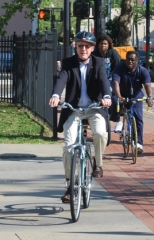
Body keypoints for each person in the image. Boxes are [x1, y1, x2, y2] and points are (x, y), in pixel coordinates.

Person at [49, 31, 112, 203]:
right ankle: (70, 185)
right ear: (75, 47)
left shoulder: (98, 63)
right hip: (74, 109)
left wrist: (106, 97)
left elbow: (104, 81)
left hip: (94, 108)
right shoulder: (68, 63)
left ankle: (98, 164)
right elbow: (61, 79)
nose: (83, 49)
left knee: (99, 133)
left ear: (92, 48)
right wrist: (55, 95)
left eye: (87, 46)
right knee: (68, 148)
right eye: (80, 46)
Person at [112, 50, 153, 154]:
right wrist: (120, 97)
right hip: (123, 96)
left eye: (132, 60)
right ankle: (119, 122)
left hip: (136, 97)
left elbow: (147, 85)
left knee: (139, 119)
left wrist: (150, 97)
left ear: (137, 61)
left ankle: (139, 144)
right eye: (128, 59)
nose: (130, 62)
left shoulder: (142, 71)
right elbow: (116, 83)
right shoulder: (119, 69)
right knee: (114, 102)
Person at [93, 34, 122, 132]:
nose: (103, 46)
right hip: (97, 80)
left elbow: (117, 68)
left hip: (110, 79)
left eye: (105, 44)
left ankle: (117, 119)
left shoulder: (113, 53)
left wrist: (114, 81)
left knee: (114, 99)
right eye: (101, 44)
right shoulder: (94, 54)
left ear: (109, 45)